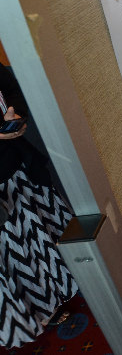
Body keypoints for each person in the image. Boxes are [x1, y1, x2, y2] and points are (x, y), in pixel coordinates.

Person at [0, 66, 77, 348]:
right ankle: (33, 314)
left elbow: (13, 85)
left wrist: (14, 113)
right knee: (12, 253)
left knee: (39, 236)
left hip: (15, 165)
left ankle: (53, 299)